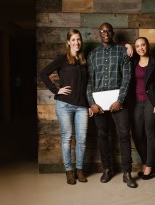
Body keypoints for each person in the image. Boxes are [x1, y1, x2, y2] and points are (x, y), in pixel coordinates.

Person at [86, 22, 137, 188]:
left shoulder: (123, 52)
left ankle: (127, 173)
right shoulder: (93, 55)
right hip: (99, 105)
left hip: (118, 103)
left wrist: (120, 100)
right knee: (103, 136)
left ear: (112, 33)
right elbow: (89, 81)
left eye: (108, 30)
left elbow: (127, 78)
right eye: (103, 31)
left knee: (123, 135)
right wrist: (91, 103)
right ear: (99, 33)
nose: (106, 33)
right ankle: (107, 169)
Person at [40, 29, 92, 185]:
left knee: (82, 140)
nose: (77, 42)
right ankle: (69, 171)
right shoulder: (62, 59)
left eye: (79, 39)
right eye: (73, 40)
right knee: (67, 138)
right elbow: (44, 73)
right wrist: (56, 90)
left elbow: (87, 84)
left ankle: (80, 170)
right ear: (68, 42)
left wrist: (90, 104)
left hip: (82, 105)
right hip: (64, 105)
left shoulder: (84, 61)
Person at [130, 37, 155, 180]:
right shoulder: (133, 62)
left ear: (147, 46)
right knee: (137, 135)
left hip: (151, 102)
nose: (140, 48)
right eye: (137, 46)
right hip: (136, 103)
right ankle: (146, 162)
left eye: (143, 45)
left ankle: (149, 166)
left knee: (150, 134)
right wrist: (125, 45)